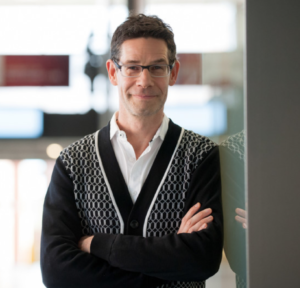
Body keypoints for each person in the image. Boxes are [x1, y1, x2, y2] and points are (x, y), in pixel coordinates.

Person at [41, 14, 223, 288]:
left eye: (157, 67)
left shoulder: (200, 156)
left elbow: (202, 259)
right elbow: (56, 272)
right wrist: (170, 262)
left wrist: (97, 244)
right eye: (133, 67)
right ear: (113, 72)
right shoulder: (74, 162)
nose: (145, 80)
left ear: (173, 73)